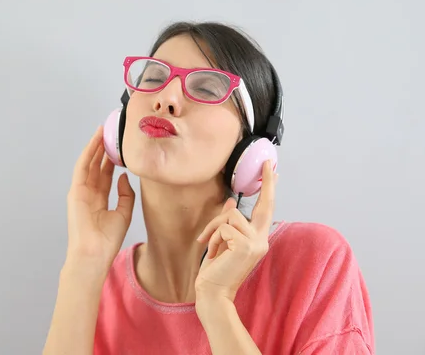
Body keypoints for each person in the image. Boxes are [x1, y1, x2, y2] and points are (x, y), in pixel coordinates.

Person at [42, 22, 375, 355]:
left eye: (206, 89)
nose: (165, 99)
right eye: (155, 78)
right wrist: (83, 266)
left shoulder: (314, 264)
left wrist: (217, 307)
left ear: (250, 148)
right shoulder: (97, 286)